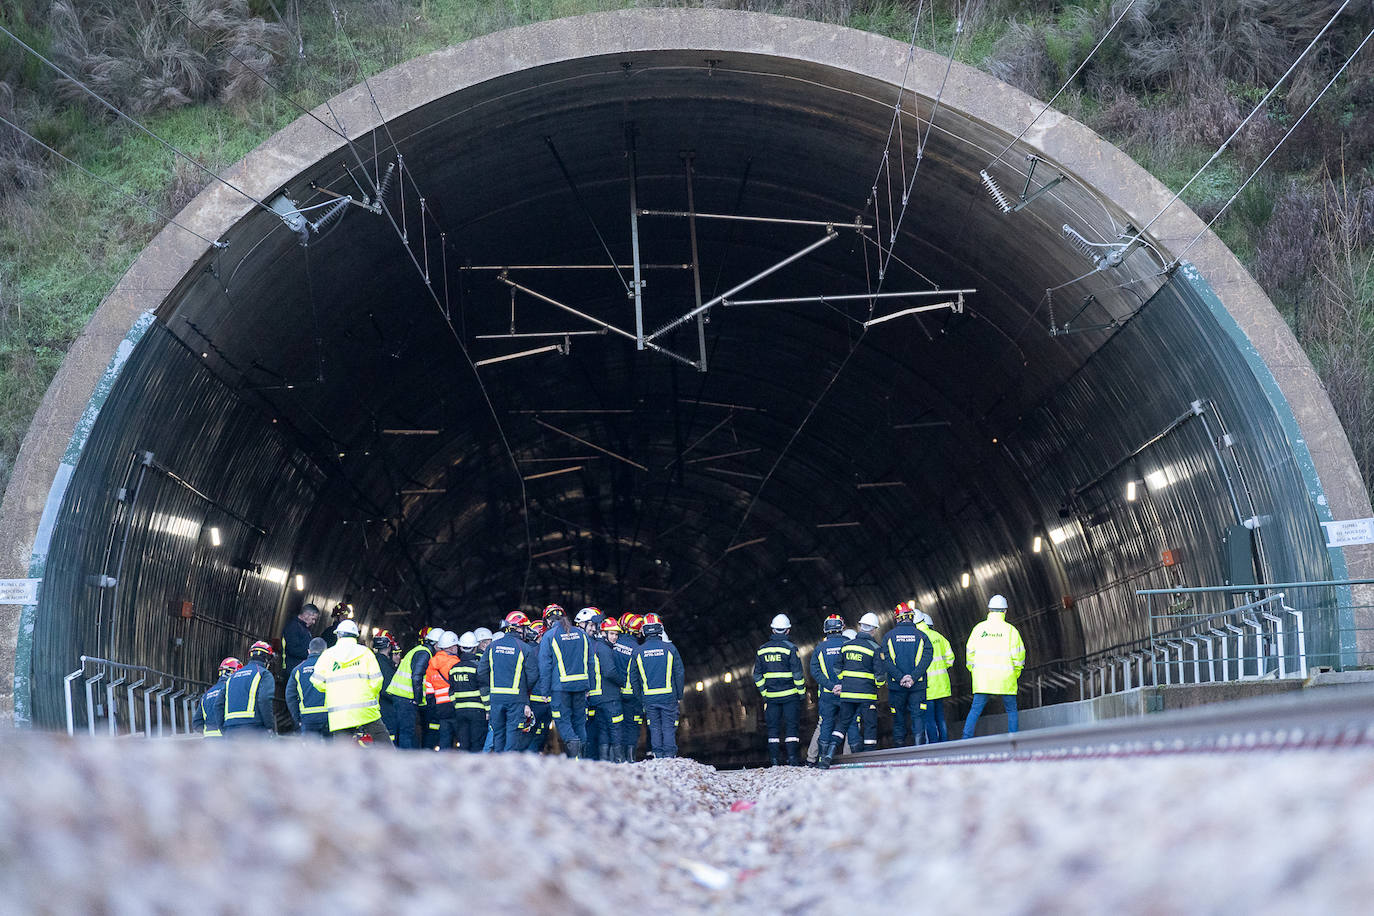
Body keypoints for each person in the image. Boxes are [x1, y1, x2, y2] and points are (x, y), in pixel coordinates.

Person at [818, 613, 885, 768]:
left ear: (860, 626)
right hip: (867, 694)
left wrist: (846, 681)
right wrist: (878, 685)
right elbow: (880, 675)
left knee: (842, 723)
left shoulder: (847, 645)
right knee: (869, 725)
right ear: (874, 630)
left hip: (847, 694)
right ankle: (868, 759)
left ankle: (829, 754)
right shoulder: (875, 648)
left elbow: (837, 667)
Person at [311, 619, 390, 746]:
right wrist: (367, 694)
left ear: (338, 635)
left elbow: (316, 681)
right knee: (383, 742)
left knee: (343, 752)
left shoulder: (327, 655)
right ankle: (393, 764)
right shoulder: (366, 653)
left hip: (339, 711)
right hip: (365, 709)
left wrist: (332, 689)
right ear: (356, 636)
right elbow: (377, 681)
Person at [961, 594, 1026, 739]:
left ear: (989, 610)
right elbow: (1019, 656)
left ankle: (965, 739)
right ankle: (1014, 739)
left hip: (983, 679)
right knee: (1011, 710)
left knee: (975, 710)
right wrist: (1015, 673)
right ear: (1005, 611)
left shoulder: (978, 629)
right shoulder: (1011, 631)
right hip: (1005, 678)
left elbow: (969, 653)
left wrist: (974, 671)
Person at [539, 604, 592, 758]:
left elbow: (545, 666)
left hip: (560, 687)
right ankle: (581, 760)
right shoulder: (582, 634)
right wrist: (590, 686)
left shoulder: (549, 636)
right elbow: (591, 662)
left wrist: (544, 691)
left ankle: (573, 746)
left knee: (562, 720)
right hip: (581, 685)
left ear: (548, 621)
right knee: (579, 722)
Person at [477, 611, 536, 752]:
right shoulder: (525, 648)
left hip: (496, 699)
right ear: (517, 628)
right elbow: (533, 675)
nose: (526, 631)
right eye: (525, 628)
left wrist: (494, 686)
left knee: (498, 734)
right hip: (516, 700)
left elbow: (481, 672)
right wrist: (522, 690)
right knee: (513, 734)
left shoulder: (492, 647)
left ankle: (499, 767)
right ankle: (509, 768)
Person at [629, 613, 684, 758]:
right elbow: (679, 673)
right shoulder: (671, 649)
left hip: (649, 698)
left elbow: (633, 678)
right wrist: (679, 695)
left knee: (654, 728)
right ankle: (670, 757)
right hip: (669, 696)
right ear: (661, 629)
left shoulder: (638, 652)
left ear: (644, 630)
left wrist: (640, 698)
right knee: (668, 728)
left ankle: (658, 756)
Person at [754, 613, 805, 766]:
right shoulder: (791, 649)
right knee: (791, 728)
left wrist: (765, 693)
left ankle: (775, 760)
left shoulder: (762, 650)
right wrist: (801, 693)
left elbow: (757, 675)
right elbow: (797, 674)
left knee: (773, 730)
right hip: (790, 696)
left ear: (773, 630)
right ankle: (792, 759)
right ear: (788, 630)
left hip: (772, 697)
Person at [882, 600, 934, 748]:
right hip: (917, 686)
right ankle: (919, 748)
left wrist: (900, 678)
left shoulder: (888, 637)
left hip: (896, 686)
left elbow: (886, 661)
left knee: (898, 717)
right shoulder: (922, 637)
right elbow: (927, 658)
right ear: (911, 617)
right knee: (918, 716)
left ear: (897, 618)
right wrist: (913, 677)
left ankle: (900, 749)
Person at [385, 626, 439, 749]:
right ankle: (406, 762)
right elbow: (417, 676)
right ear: (436, 644)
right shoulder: (424, 653)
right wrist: (418, 699)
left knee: (406, 731)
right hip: (406, 697)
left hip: (403, 696)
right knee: (406, 732)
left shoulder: (420, 650)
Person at [805, 615, 846, 765]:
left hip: (827, 695)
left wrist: (831, 686)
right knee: (850, 723)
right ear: (842, 627)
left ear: (825, 629)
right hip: (847, 693)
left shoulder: (819, 649)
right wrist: (843, 685)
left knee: (825, 724)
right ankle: (849, 757)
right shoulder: (849, 644)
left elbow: (815, 672)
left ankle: (820, 758)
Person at [585, 610, 626, 761]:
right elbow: (609, 672)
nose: (615, 637)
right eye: (612, 634)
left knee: (603, 730)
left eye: (616, 634)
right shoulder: (604, 648)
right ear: (603, 633)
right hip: (610, 697)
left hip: (596, 698)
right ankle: (620, 762)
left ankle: (604, 763)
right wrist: (622, 682)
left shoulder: (593, 646)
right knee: (616, 730)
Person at [223, 641, 277, 737]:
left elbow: (218, 705)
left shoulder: (232, 677)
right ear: (267, 659)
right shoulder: (264, 674)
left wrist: (224, 729)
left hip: (230, 730)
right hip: (254, 729)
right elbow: (264, 699)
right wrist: (270, 726)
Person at [918, 611, 955, 743]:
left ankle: (934, 745)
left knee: (929, 719)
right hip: (941, 685)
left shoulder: (918, 638)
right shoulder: (939, 637)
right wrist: (942, 667)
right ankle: (944, 743)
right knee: (940, 718)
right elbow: (950, 658)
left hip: (927, 686)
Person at [610, 613, 642, 762]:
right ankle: (630, 758)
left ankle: (617, 759)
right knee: (632, 726)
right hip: (632, 695)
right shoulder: (637, 649)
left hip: (614, 693)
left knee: (617, 725)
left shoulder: (613, 644)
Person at [423, 631, 462, 750]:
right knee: (461, 736)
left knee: (444, 737)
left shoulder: (432, 663)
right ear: (451, 647)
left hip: (440, 707)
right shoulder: (455, 663)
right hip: (454, 704)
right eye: (456, 645)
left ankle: (444, 761)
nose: (457, 648)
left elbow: (428, 688)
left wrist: (432, 706)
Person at [449, 632, 486, 752]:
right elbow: (484, 690)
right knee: (477, 744)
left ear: (460, 648)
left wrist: (457, 705)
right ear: (475, 648)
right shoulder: (478, 667)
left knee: (464, 745)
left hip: (460, 712)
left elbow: (451, 692)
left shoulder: (453, 669)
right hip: (477, 711)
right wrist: (488, 709)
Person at [286, 637, 329, 738]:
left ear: (309, 651)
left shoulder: (297, 670)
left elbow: (290, 696)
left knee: (309, 752)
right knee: (329, 751)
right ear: (326, 651)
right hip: (328, 717)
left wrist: (297, 719)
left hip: (307, 718)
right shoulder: (332, 667)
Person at [192, 657, 240, 738]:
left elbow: (197, 723)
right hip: (227, 739)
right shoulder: (234, 691)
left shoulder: (206, 694)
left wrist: (210, 732)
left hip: (209, 742)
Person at [372, 630, 399, 743]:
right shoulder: (385, 665)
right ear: (389, 646)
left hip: (375, 706)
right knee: (389, 736)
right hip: (386, 708)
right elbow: (387, 688)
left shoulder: (373, 660)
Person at [282, 603, 320, 676]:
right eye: (313, 619)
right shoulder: (293, 627)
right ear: (306, 615)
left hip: (299, 667)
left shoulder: (303, 628)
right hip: (292, 668)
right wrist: (310, 653)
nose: (314, 622)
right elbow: (292, 649)